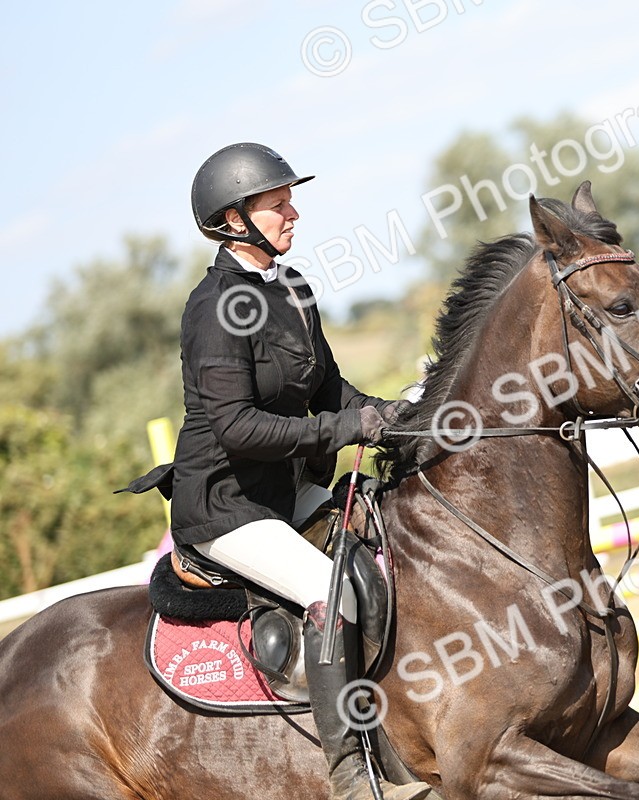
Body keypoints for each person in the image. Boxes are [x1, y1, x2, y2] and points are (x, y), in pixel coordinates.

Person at [174, 142, 429, 800]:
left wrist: (402, 414)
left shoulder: (290, 287)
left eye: (291, 199)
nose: (293, 212)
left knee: (398, 538)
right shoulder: (212, 309)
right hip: (228, 507)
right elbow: (235, 426)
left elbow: (333, 393)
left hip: (286, 493)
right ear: (234, 220)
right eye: (277, 202)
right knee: (330, 586)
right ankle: (351, 774)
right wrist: (345, 430)